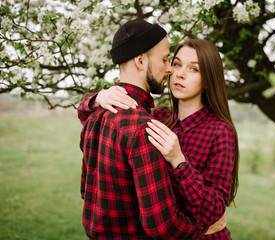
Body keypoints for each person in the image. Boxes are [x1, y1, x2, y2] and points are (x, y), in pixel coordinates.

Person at [79, 38, 239, 239]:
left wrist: (179, 161)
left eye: (193, 69)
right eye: (177, 63)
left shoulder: (219, 132)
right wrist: (97, 99)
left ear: (208, 79)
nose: (179, 73)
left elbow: (215, 209)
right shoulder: (159, 118)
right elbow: (96, 123)